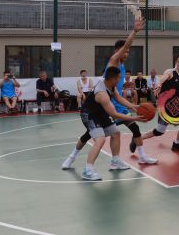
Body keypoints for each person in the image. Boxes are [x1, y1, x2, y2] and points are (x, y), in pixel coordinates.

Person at [62, 17, 158, 169]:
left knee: (133, 128)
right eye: (125, 51)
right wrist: (134, 31)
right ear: (117, 51)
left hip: (117, 103)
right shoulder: (113, 61)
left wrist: (134, 106)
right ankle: (71, 157)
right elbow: (126, 46)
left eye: (128, 52)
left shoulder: (122, 67)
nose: (127, 53)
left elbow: (117, 93)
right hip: (104, 106)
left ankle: (141, 157)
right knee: (89, 135)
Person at [76, 66, 146, 181]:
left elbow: (119, 98)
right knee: (100, 139)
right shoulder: (102, 93)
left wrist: (133, 106)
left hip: (100, 113)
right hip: (89, 115)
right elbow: (114, 114)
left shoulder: (110, 85)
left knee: (116, 133)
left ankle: (115, 161)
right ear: (113, 79)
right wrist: (134, 118)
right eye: (119, 78)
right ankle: (88, 170)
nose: (120, 80)